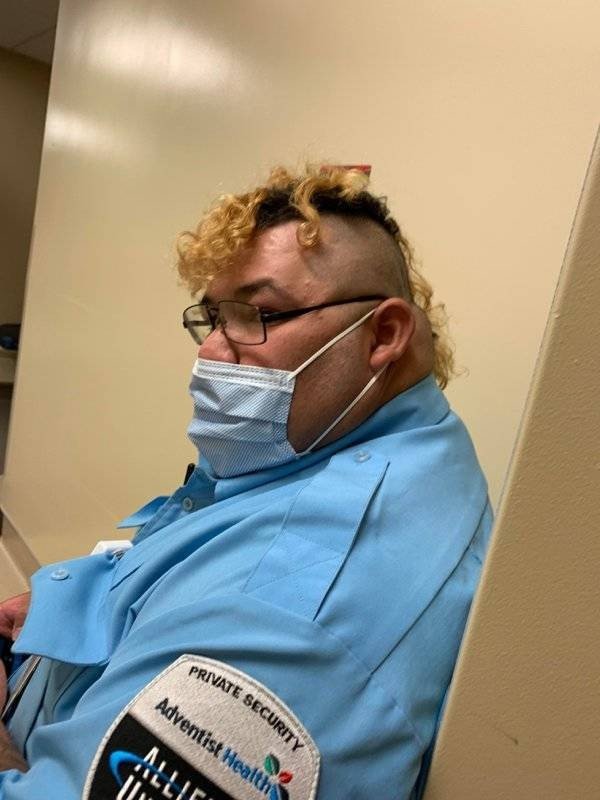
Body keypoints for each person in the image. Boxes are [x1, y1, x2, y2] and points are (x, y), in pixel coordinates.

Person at [0, 165, 492, 799]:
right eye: (213, 317)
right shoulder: (392, 446)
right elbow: (226, 555)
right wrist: (91, 602)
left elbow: (265, 593)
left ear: (384, 335)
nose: (210, 351)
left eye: (259, 314)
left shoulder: (290, 616)